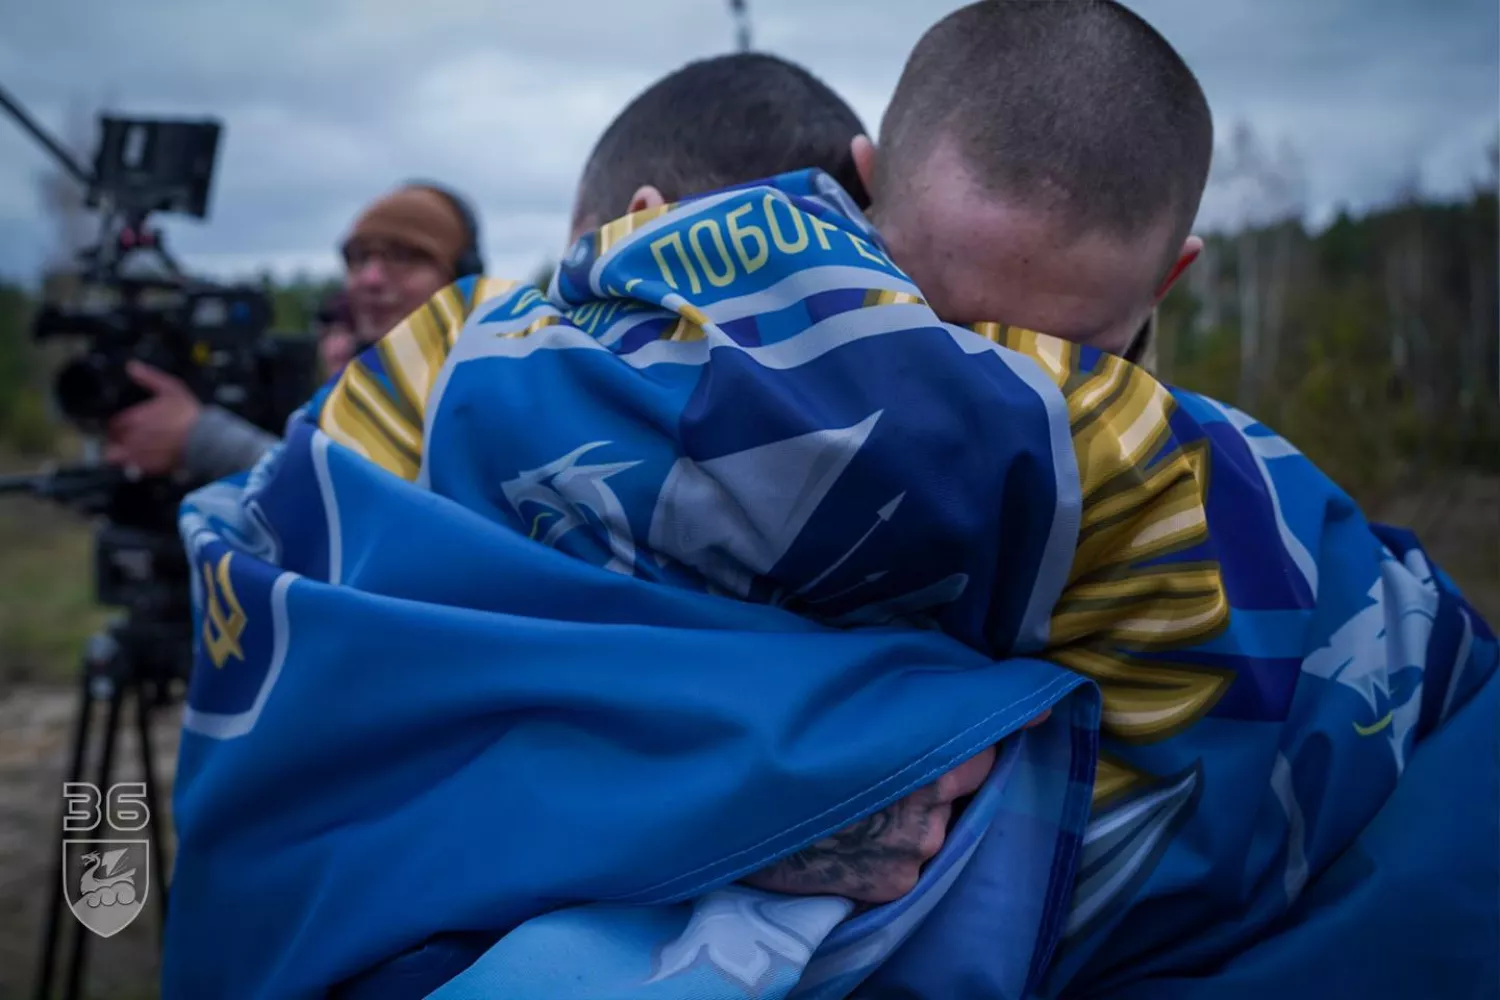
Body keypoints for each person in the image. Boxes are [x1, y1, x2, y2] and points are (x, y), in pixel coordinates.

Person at [164, 17, 1497, 1000]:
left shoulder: (1145, 477)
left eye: (1057, 351)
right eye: (944, 320)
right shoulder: (567, 370)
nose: (993, 376)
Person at [101, 182, 485, 480]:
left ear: (462, 278)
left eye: (403, 257)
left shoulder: (484, 391)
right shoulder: (344, 376)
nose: (369, 278)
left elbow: (383, 508)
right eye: (358, 258)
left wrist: (203, 441)